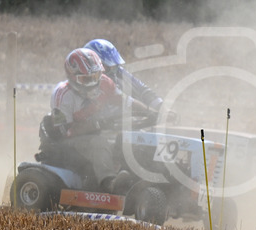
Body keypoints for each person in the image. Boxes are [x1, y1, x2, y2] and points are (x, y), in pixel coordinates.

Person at [38, 48, 152, 192]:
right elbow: (65, 131)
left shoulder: (105, 83)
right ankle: (109, 183)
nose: (93, 82)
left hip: (94, 132)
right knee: (99, 143)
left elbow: (126, 102)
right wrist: (96, 125)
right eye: (86, 79)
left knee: (124, 137)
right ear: (73, 77)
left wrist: (150, 112)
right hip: (66, 142)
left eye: (96, 75)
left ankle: (137, 177)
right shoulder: (62, 95)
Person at [84, 38, 164, 110]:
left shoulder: (119, 72)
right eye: (108, 66)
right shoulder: (82, 87)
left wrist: (161, 108)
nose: (114, 71)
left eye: (114, 66)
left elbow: (142, 89)